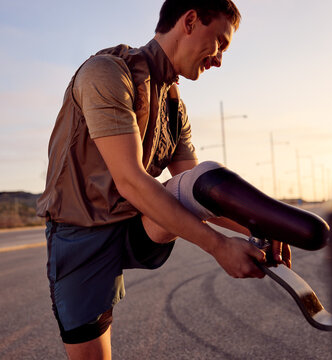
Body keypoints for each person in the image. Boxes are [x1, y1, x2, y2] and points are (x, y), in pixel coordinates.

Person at [37, 1, 291, 358]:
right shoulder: (107, 73)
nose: (219, 59)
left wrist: (260, 226)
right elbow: (131, 181)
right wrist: (220, 247)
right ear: (189, 21)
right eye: (220, 41)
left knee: (196, 182)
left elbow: (197, 187)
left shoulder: (174, 104)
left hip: (132, 226)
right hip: (81, 236)